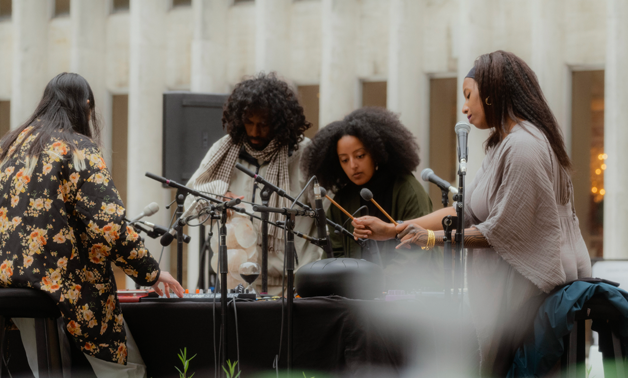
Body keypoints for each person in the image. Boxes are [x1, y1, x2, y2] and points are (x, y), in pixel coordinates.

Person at [352, 51, 592, 376]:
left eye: (468, 96)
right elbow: (464, 212)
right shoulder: (503, 145)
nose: (464, 108)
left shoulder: (524, 147)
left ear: (493, 92)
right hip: (513, 306)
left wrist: (432, 239)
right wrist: (395, 228)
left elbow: (503, 232)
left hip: (532, 306)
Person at [0, 72, 184, 377]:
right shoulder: (77, 147)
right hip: (60, 286)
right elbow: (108, 225)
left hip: (0, 284)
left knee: (49, 370)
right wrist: (149, 271)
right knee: (127, 370)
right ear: (86, 105)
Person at [184, 72, 320, 294]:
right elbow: (190, 205)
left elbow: (327, 218)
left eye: (264, 124)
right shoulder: (224, 151)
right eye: (249, 122)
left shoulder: (304, 154)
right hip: (235, 288)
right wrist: (218, 195)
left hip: (292, 289)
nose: (255, 132)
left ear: (280, 122)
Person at [302, 107, 437, 290]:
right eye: (344, 159)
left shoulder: (408, 190)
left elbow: (417, 251)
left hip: (411, 299)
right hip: (356, 300)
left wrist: (372, 285)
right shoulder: (340, 201)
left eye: (360, 156)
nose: (353, 166)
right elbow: (334, 256)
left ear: (376, 152)